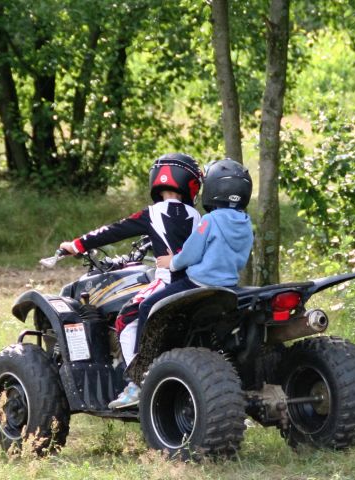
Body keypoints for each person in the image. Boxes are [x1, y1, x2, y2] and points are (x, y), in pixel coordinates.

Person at [58, 153, 202, 409]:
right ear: (191, 184)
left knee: (126, 319)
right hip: (197, 283)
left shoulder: (153, 213)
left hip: (168, 281)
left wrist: (76, 244)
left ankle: (137, 382)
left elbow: (114, 231)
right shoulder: (198, 217)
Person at [139, 157, 254, 369]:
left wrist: (172, 262)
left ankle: (140, 369)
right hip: (227, 285)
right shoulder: (247, 224)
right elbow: (242, 257)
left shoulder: (210, 220)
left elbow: (191, 252)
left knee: (147, 305)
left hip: (198, 282)